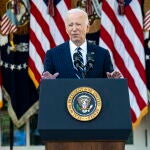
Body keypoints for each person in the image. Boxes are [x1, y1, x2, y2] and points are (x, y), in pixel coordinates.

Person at [42, 8, 122, 79]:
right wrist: (47, 84)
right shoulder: (52, 55)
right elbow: (41, 91)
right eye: (70, 25)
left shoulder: (102, 54)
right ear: (66, 29)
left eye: (78, 24)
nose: (74, 29)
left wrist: (113, 82)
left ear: (87, 28)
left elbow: (110, 87)